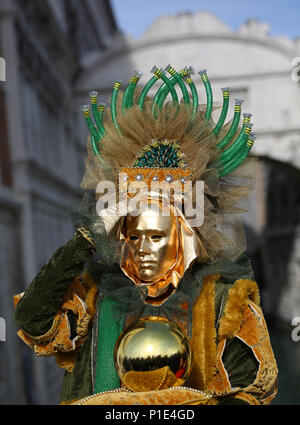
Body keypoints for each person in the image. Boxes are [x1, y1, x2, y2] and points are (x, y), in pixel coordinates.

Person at [13, 65, 278, 405]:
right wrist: (89, 237)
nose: (143, 250)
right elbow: (32, 319)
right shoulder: (94, 299)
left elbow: (254, 392)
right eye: (134, 238)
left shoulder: (227, 303)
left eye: (156, 237)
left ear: (182, 239)